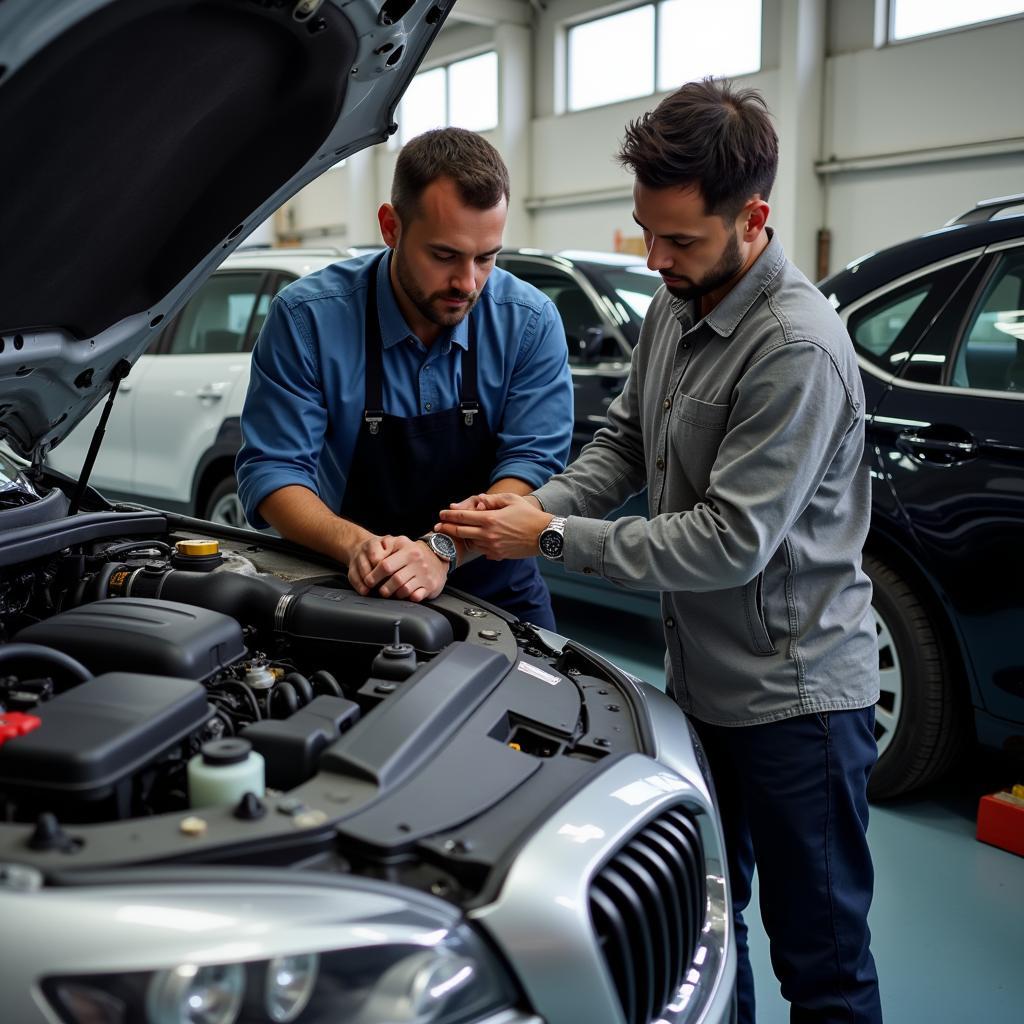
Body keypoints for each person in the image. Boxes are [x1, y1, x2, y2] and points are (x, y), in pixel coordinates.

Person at [435, 80, 882, 1024]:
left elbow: (730, 542)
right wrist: (518, 507)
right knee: (713, 931)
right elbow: (622, 449)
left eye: (680, 240)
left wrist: (547, 536)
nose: (657, 258)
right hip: (701, 689)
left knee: (825, 961)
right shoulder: (678, 309)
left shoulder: (795, 349)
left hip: (796, 704)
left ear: (753, 217)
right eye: (646, 232)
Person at [235, 128, 572, 629]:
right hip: (351, 583)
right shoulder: (308, 319)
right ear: (391, 227)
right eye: (444, 255)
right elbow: (273, 472)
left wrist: (444, 549)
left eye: (486, 257)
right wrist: (361, 547)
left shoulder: (529, 320)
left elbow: (532, 463)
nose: (468, 283)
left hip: (498, 588)